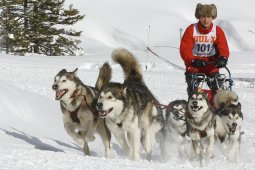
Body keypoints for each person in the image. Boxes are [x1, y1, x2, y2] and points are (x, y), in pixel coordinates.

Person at [180, 3, 230, 97]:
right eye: (203, 17)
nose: (206, 20)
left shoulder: (217, 31)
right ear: (199, 17)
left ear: (212, 17)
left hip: (211, 65)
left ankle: (215, 107)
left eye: (208, 17)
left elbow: (223, 46)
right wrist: (192, 60)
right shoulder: (191, 29)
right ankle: (193, 106)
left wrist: (223, 58)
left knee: (218, 91)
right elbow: (185, 49)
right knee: (194, 92)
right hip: (194, 65)